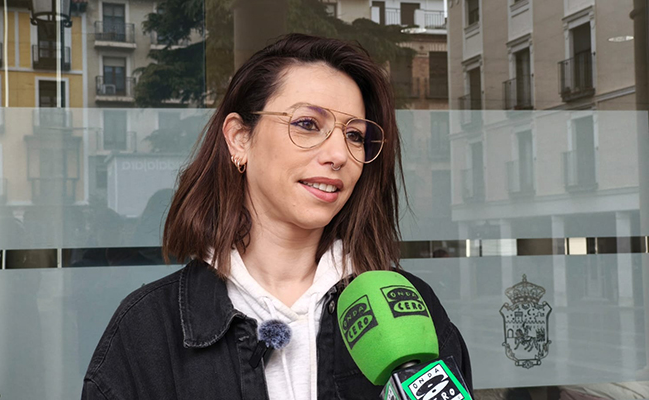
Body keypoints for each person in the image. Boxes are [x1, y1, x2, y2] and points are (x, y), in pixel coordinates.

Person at [81, 33, 472, 400]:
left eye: (355, 135)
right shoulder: (148, 329)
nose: (339, 154)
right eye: (307, 124)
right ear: (240, 139)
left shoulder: (410, 308)